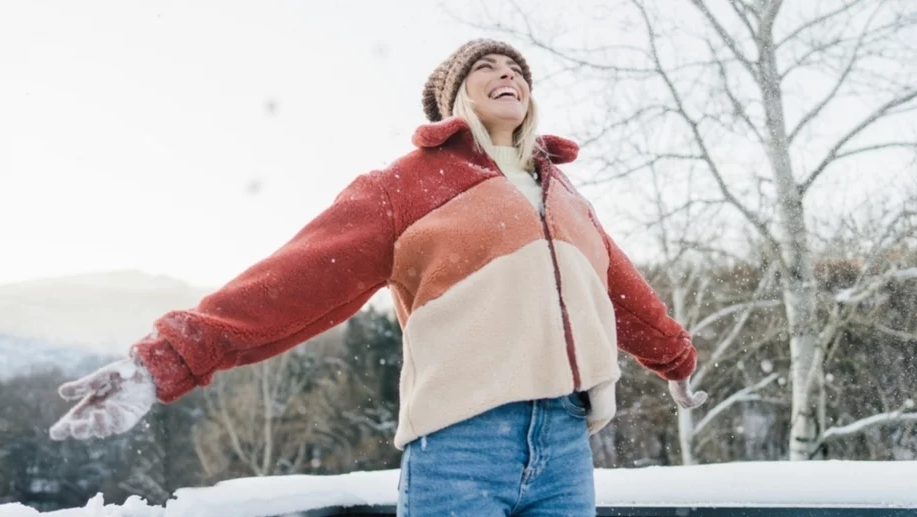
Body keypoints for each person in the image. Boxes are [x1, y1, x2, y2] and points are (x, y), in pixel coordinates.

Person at [50, 39, 707, 516]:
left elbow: (623, 294)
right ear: (451, 98)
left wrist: (675, 359)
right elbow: (292, 282)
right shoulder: (407, 186)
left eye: (516, 70)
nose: (507, 74)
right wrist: (160, 362)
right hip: (462, 444)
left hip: (565, 445)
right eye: (486, 69)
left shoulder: (562, 192)